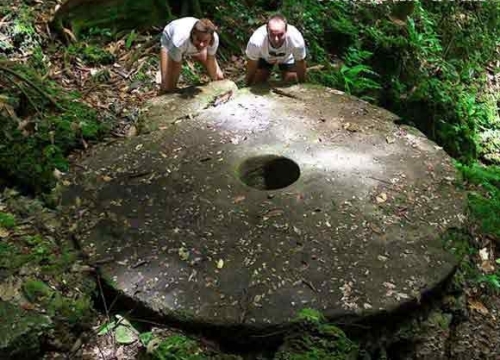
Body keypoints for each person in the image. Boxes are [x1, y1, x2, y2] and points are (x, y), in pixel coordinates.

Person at [160, 17, 224, 93]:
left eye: (205, 41)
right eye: (199, 40)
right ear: (193, 34)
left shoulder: (214, 39)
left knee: (219, 77)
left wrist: (216, 83)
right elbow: (176, 67)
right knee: (166, 86)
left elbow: (211, 62)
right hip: (170, 44)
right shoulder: (178, 42)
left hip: (190, 46)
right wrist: (172, 92)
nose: (201, 44)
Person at [245, 14, 307, 86]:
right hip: (264, 57)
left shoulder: (296, 40)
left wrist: (303, 85)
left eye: (280, 35)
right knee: (257, 81)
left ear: (286, 31)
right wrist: (248, 84)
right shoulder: (256, 41)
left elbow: (300, 63)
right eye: (272, 34)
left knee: (291, 80)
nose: (276, 39)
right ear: (267, 30)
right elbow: (252, 64)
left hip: (287, 58)